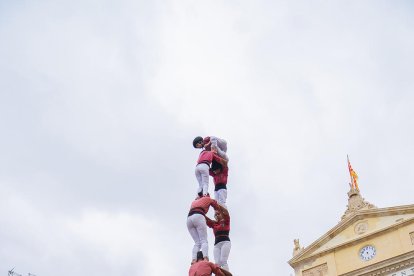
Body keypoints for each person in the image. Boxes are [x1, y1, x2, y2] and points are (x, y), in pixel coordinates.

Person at [187, 195, 220, 263]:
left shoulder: (194, 201)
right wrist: (217, 211)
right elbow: (215, 204)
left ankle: (193, 259)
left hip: (189, 219)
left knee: (197, 243)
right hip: (199, 215)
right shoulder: (208, 198)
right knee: (204, 240)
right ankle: (205, 258)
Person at [205, 207, 231, 272]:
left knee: (223, 261)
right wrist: (200, 213)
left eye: (218, 214)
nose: (216, 215)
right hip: (217, 245)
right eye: (215, 215)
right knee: (217, 263)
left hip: (225, 242)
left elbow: (226, 213)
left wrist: (219, 206)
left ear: (221, 214)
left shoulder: (226, 221)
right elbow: (206, 219)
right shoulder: (214, 224)